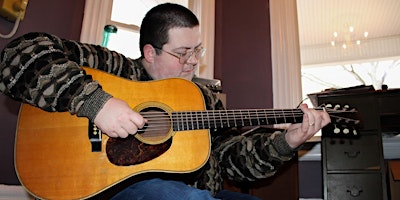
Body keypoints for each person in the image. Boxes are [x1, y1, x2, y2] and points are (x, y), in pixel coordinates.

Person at [0, 3, 330, 200]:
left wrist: (287, 141)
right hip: (108, 190)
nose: (193, 62)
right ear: (150, 52)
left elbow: (233, 161)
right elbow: (21, 54)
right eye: (181, 53)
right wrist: (96, 103)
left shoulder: (202, 99)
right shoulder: (116, 70)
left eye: (197, 51)